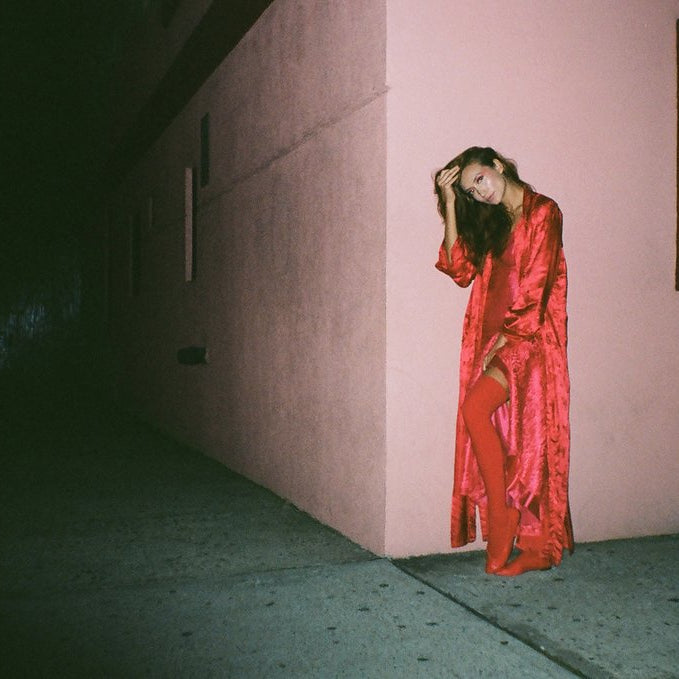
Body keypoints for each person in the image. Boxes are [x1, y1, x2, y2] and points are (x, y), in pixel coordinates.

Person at [434, 146, 573, 576]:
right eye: (471, 191)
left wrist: (505, 339)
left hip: (526, 341)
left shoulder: (544, 212)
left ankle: (511, 523)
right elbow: (458, 269)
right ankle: (515, 531)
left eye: (479, 180)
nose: (481, 193)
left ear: (497, 165)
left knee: (497, 422)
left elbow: (537, 287)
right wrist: (453, 206)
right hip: (492, 340)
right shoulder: (493, 224)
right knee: (511, 441)